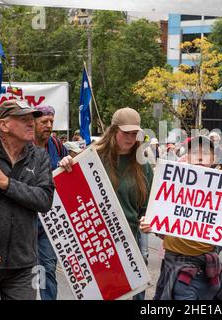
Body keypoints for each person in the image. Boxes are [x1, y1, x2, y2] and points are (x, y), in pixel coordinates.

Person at [59, 107, 153, 300]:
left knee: (135, 295)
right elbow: (71, 193)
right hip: (98, 242)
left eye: (135, 133)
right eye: (126, 133)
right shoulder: (91, 157)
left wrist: (148, 219)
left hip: (129, 241)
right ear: (113, 131)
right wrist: (67, 164)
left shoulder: (142, 164)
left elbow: (148, 206)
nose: (130, 138)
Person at [140, 135, 222, 300]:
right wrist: (151, 225)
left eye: (205, 152)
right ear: (187, 157)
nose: (199, 157)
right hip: (176, 265)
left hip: (207, 268)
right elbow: (163, 227)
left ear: (213, 159)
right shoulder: (172, 182)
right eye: (195, 152)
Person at [0, 99, 54, 300]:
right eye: (24, 119)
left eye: (32, 118)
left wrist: (6, 183)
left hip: (23, 264)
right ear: (4, 125)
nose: (31, 123)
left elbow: (45, 200)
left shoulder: (39, 156)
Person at [33, 104, 68, 300]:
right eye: (44, 122)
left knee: (46, 269)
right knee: (21, 273)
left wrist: (67, 162)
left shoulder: (56, 145)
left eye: (51, 122)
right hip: (24, 219)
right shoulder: (22, 144)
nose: (48, 125)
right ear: (33, 122)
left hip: (49, 222)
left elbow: (70, 167)